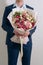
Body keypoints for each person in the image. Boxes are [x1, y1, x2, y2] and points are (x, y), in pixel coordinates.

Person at [2, 0, 36, 65]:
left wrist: (29, 32)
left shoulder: (30, 9)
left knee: (26, 63)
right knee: (12, 63)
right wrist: (13, 31)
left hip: (26, 41)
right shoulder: (8, 8)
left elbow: (34, 26)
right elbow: (4, 25)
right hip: (12, 42)